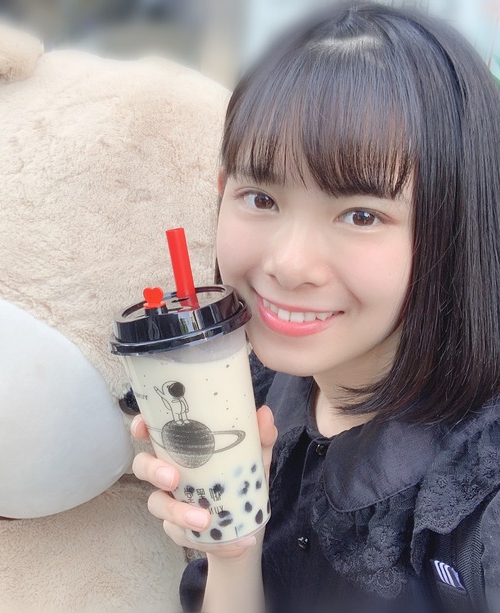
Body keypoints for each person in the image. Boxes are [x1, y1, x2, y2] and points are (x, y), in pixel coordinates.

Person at [131, 2, 500, 612]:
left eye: (361, 215)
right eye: (261, 198)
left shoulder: (478, 490)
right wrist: (232, 550)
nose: (288, 264)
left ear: (457, 225)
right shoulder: (246, 390)